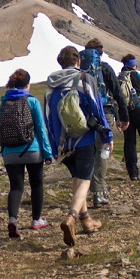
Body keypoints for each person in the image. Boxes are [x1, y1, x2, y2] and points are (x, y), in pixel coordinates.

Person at [45, 46, 112, 247]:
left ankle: (87, 221)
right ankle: (71, 218)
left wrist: (54, 145)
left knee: (77, 179)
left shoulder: (52, 85)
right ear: (78, 62)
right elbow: (96, 107)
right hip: (84, 139)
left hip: (63, 143)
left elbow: (48, 115)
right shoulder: (84, 79)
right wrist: (107, 134)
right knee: (85, 181)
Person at [0, 69, 53, 238]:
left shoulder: (4, 102)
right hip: (32, 150)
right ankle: (36, 220)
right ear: (27, 84)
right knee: (36, 184)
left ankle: (13, 220)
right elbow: (40, 129)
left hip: (9, 152)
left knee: (16, 187)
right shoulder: (32, 101)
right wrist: (47, 152)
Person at [79, 38, 128, 208]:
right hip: (104, 114)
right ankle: (99, 192)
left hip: (83, 115)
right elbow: (118, 93)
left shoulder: (79, 69)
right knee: (103, 150)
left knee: (88, 151)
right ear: (100, 52)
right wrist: (124, 117)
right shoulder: (105, 68)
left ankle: (84, 191)